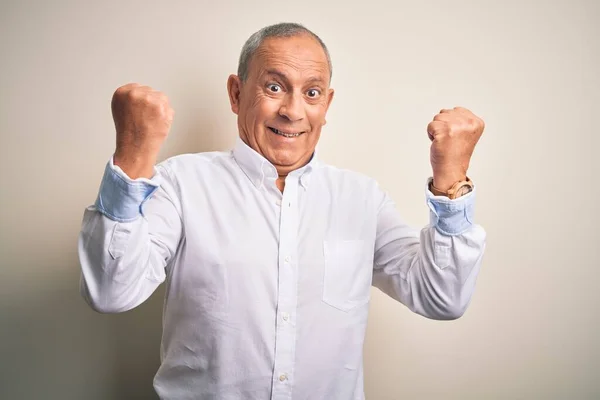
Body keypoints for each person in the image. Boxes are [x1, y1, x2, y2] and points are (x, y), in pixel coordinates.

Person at [79, 22, 486, 400]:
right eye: (274, 88)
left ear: (326, 105)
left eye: (311, 93)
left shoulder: (362, 198)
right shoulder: (181, 183)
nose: (293, 111)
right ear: (236, 94)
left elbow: (442, 298)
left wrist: (451, 179)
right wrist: (132, 158)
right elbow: (112, 292)